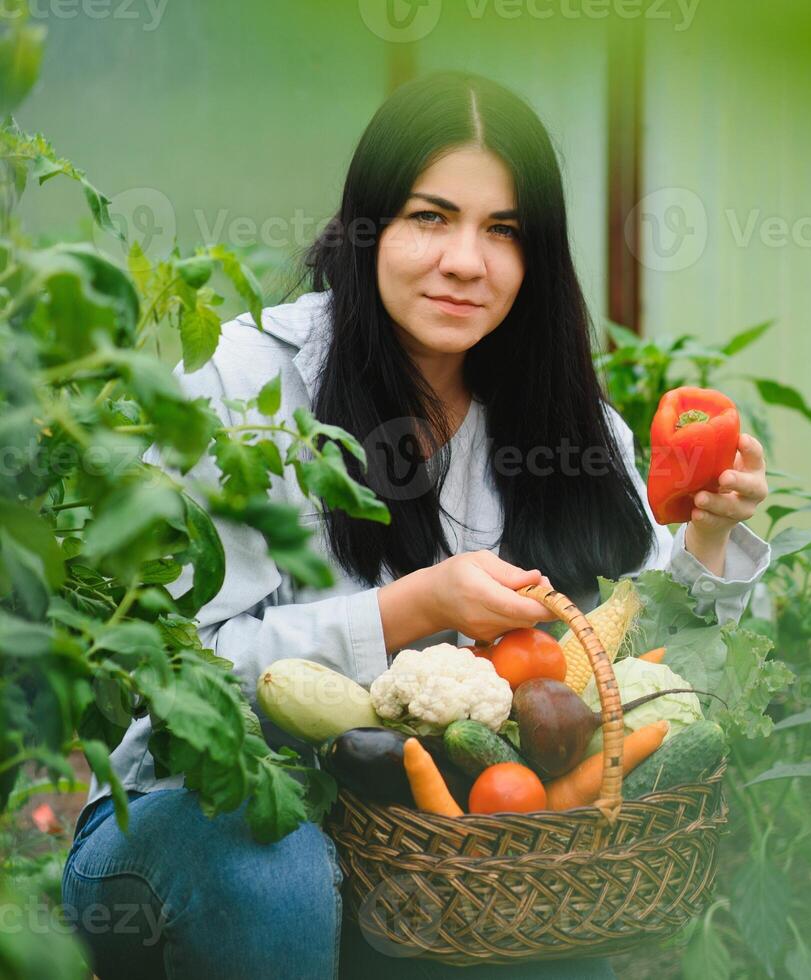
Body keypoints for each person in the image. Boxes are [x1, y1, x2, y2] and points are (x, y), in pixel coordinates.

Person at [61, 70, 771, 979]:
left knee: (545, 880)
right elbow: (167, 682)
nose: (466, 261)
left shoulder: (572, 420)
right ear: (367, 227)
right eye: (430, 217)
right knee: (271, 866)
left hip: (435, 853)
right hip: (200, 818)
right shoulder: (246, 385)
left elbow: (643, 666)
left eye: (503, 230)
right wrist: (405, 610)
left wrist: (709, 535)